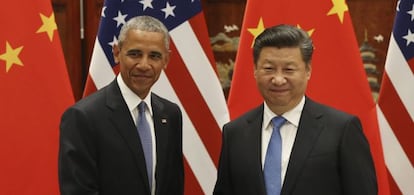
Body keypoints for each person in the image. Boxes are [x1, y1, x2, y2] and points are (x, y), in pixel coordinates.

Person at [213, 24, 377, 195]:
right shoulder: (235, 133)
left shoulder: (342, 129)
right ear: (255, 70)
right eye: (268, 69)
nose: (278, 79)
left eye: (289, 70)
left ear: (307, 71)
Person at [58, 15, 184, 195]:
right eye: (135, 54)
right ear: (117, 53)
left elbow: (173, 186)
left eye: (154, 56)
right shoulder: (83, 117)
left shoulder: (170, 114)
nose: (144, 65)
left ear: (166, 60)